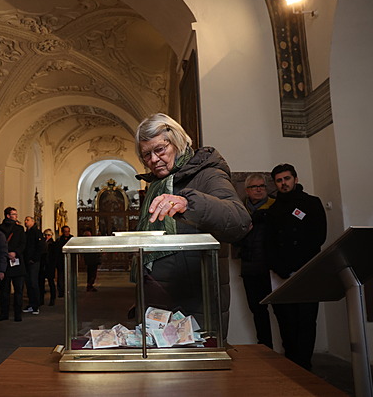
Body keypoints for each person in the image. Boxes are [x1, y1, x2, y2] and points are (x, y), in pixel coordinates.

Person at [134, 113, 251, 333]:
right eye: (146, 155)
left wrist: (188, 203)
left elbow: (239, 221)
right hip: (159, 300)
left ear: (177, 141)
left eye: (159, 150)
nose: (153, 160)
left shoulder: (208, 174)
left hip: (195, 304)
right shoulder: (157, 185)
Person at [266, 163, 327, 370]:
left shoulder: (311, 203)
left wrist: (301, 266)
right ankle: (291, 365)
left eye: (287, 179)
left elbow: (319, 236)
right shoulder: (273, 210)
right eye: (279, 180)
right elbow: (270, 244)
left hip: (307, 270)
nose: (284, 183)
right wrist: (280, 267)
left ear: (296, 179)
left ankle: (305, 365)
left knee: (307, 321)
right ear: (275, 184)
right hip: (281, 273)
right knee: (286, 321)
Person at [237, 173, 275, 349]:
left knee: (280, 311)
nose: (259, 189)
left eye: (262, 186)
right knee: (257, 312)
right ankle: (266, 348)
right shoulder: (239, 210)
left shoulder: (276, 207)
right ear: (247, 190)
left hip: (272, 269)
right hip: (249, 268)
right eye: (254, 187)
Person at [0, 207, 26, 322]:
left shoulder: (19, 229)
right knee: (5, 290)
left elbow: (23, 243)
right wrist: (12, 253)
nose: (16, 216)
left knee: (17, 290)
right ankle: (8, 313)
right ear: (8, 215)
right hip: (7, 262)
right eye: (14, 214)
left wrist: (14, 253)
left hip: (12, 261)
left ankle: (15, 313)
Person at [22, 216, 44, 315]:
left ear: (33, 222)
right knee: (29, 283)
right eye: (25, 220)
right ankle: (31, 303)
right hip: (26, 261)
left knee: (33, 282)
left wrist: (34, 258)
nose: (25, 221)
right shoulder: (26, 233)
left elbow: (40, 247)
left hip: (34, 262)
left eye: (28, 220)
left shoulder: (37, 233)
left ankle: (36, 305)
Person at [54, 225, 73, 298]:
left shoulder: (71, 239)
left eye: (68, 231)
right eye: (65, 231)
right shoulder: (59, 240)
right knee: (60, 277)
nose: (67, 233)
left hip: (70, 261)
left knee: (69, 277)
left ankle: (69, 290)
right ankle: (61, 291)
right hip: (61, 262)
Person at [39, 228, 57, 306]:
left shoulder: (53, 244)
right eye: (45, 235)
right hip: (43, 265)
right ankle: (41, 299)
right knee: (41, 283)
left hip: (50, 265)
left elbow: (54, 256)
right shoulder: (42, 243)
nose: (47, 237)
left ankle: (52, 299)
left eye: (48, 235)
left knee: (51, 282)